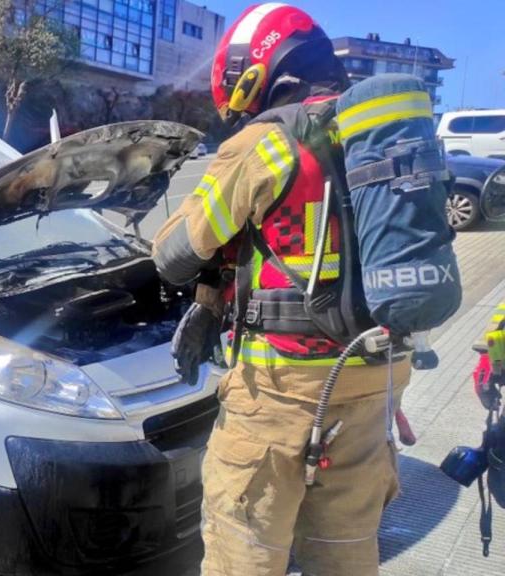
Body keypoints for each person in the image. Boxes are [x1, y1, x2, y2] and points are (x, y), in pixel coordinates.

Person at [152, 4, 415, 574]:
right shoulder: (383, 137)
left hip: (279, 393)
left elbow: (175, 254)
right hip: (373, 386)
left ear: (262, 70)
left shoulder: (266, 144)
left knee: (240, 552)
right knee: (346, 556)